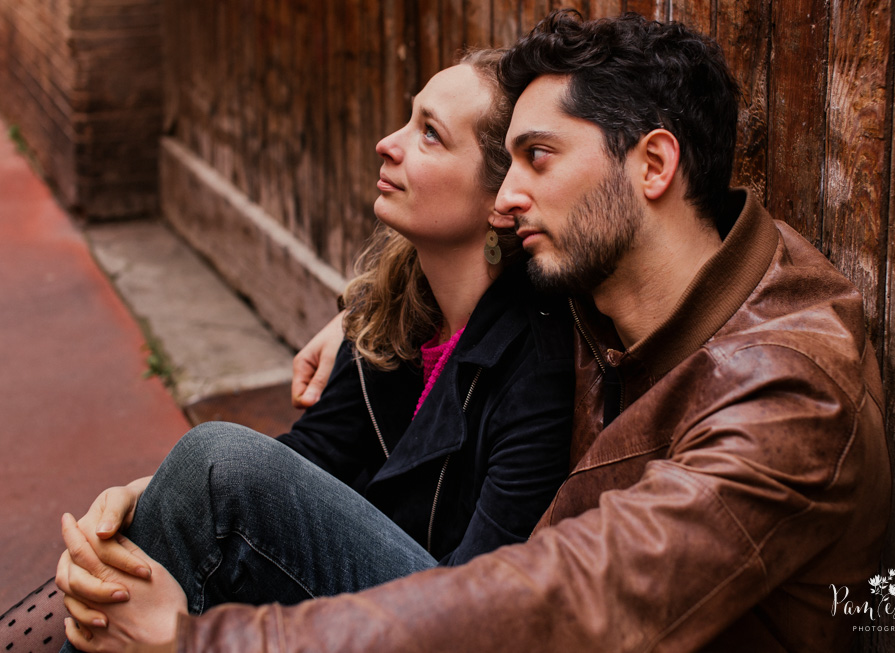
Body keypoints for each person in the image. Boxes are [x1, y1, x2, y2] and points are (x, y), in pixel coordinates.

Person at [70, 9, 891, 652]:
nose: (502, 200)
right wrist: (357, 314)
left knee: (220, 469)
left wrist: (202, 642)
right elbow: (459, 288)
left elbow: (579, 601)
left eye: (535, 158)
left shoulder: (787, 398)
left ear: (652, 166)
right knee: (188, 499)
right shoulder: (641, 275)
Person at [44, 47, 576, 652]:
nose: (387, 142)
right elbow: (314, 454)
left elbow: (480, 607)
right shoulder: (400, 307)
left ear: (497, 197)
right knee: (123, 550)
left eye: (429, 135)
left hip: (443, 620)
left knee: (217, 463)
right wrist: (148, 489)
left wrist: (195, 634)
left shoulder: (535, 363)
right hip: (375, 596)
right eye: (408, 119)